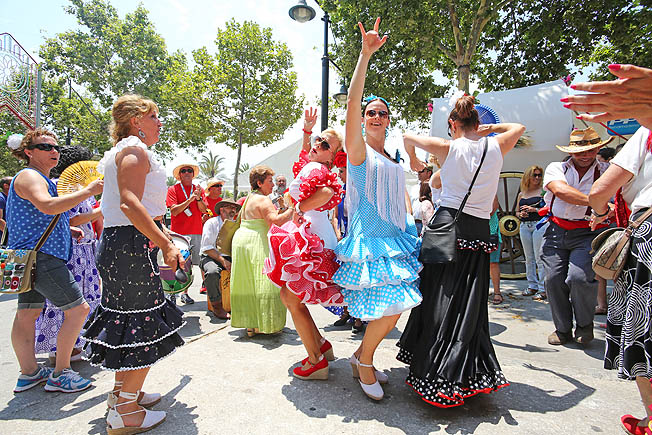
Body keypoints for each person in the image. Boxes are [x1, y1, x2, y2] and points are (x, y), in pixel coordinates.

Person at [400, 92, 525, 407]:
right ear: (478, 122)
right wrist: (486, 131)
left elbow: (406, 135)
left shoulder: (447, 147)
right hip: (479, 232)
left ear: (453, 124)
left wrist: (413, 159)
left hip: (447, 230)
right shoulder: (496, 146)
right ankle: (464, 375)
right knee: (469, 305)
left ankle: (433, 374)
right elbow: (519, 127)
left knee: (440, 300)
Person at [83, 94, 185, 433]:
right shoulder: (134, 151)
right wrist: (166, 243)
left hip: (123, 244)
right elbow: (128, 203)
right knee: (140, 323)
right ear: (136, 120)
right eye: (154, 116)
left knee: (129, 323)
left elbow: (128, 204)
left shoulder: (124, 152)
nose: (160, 122)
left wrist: (159, 231)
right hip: (129, 247)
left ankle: (123, 395)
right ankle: (125, 412)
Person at [332, 18, 422, 401]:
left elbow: (400, 195)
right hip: (370, 242)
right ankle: (364, 360)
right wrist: (365, 56)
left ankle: (361, 356)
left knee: (396, 307)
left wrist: (412, 224)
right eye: (371, 112)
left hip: (395, 239)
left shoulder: (392, 157)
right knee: (391, 309)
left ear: (389, 121)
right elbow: (353, 101)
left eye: (383, 113)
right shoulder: (359, 152)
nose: (376, 116)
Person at [569, 62, 652, 435]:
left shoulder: (643, 137)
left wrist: (600, 214)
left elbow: (599, 194)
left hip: (645, 230)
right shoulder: (559, 168)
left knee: (642, 324)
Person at [7, 128, 103, 394]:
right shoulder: (30, 176)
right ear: (28, 152)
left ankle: (29, 373)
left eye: (55, 148)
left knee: (27, 314)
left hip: (24, 256)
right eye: (45, 147)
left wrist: (66, 227)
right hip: (42, 258)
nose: (54, 152)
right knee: (79, 310)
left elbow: (48, 213)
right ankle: (61, 373)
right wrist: (89, 191)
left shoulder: (38, 178)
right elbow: (48, 205)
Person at [264, 108, 345, 380]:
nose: (317, 146)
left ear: (333, 157)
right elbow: (303, 164)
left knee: (290, 296)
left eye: (325, 145)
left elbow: (327, 192)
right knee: (291, 296)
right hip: (314, 236)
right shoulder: (315, 166)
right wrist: (307, 132)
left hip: (313, 239)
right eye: (318, 141)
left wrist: (299, 205)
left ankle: (316, 360)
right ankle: (320, 345)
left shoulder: (322, 171)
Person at [540, 127, 613, 346]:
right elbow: (561, 191)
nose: (585, 155)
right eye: (580, 151)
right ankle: (562, 329)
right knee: (553, 280)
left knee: (579, 278)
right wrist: (597, 202)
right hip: (555, 231)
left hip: (588, 233)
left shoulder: (608, 170)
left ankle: (584, 325)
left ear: (598, 148)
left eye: (590, 150)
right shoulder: (556, 168)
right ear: (571, 151)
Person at [34, 146, 103, 364]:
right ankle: (62, 351)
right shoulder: (60, 187)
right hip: (70, 253)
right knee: (69, 303)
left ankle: (77, 345)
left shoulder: (84, 188)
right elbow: (72, 220)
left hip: (86, 251)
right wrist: (103, 209)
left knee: (88, 298)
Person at [230, 165, 293, 336]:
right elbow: (275, 222)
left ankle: (250, 325)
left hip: (241, 241)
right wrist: (291, 209)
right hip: (256, 241)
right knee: (266, 282)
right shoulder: (264, 200)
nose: (272, 185)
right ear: (259, 182)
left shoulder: (250, 197)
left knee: (247, 283)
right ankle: (265, 325)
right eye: (270, 181)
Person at [166, 162, 207, 304]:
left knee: (193, 265)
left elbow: (203, 210)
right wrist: (190, 200)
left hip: (196, 231)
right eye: (184, 171)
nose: (187, 173)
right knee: (176, 263)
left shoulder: (198, 189)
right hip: (178, 234)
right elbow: (174, 210)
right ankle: (172, 292)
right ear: (180, 175)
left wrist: (198, 198)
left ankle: (185, 293)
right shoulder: (173, 189)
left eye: (190, 170)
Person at [200, 199, 240, 319]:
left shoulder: (235, 224)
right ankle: (216, 306)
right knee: (212, 272)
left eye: (234, 208)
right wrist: (223, 261)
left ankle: (240, 302)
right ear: (221, 210)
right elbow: (207, 248)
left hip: (228, 256)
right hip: (209, 256)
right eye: (229, 207)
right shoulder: (211, 223)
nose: (233, 210)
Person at [517, 165, 548, 300]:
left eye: (539, 175)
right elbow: (516, 212)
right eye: (534, 175)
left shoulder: (543, 192)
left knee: (539, 257)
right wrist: (520, 214)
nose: (537, 178)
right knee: (528, 258)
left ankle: (542, 288)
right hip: (524, 225)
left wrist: (534, 210)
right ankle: (532, 285)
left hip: (539, 225)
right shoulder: (522, 194)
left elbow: (548, 209)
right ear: (528, 177)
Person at [489, 197, 504, 305]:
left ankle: (497, 292)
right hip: (474, 230)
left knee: (493, 263)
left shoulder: (491, 191)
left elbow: (493, 209)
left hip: (491, 230)